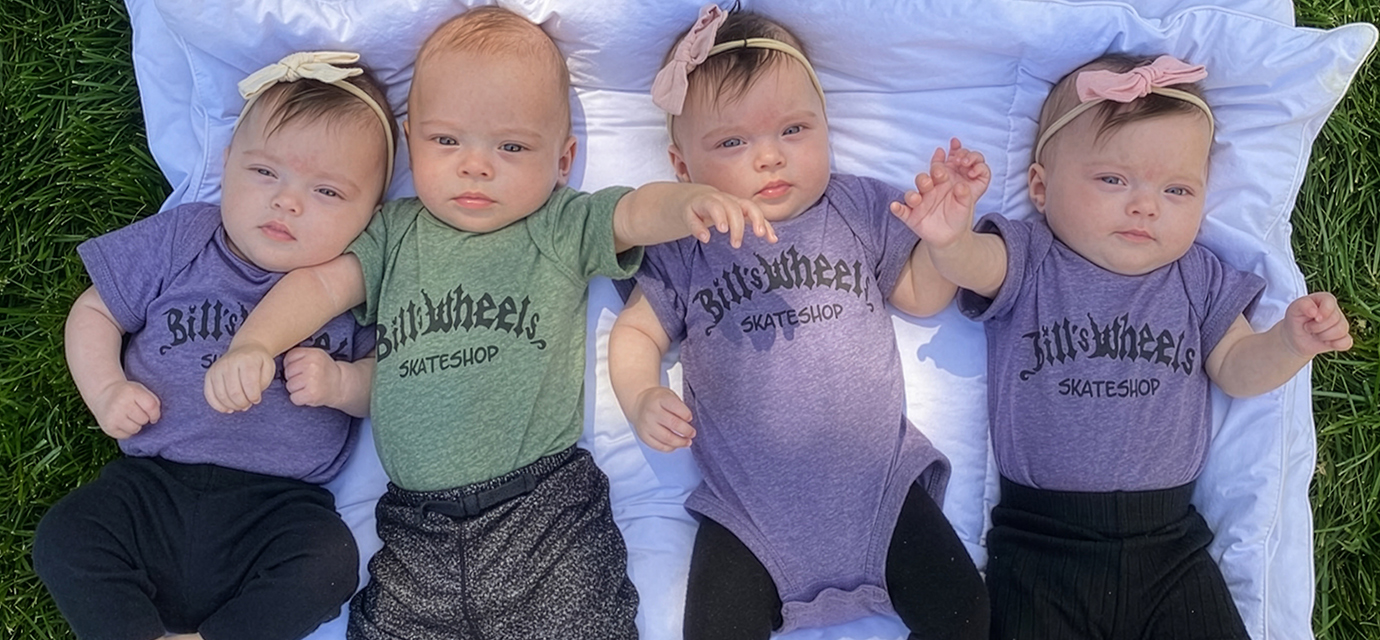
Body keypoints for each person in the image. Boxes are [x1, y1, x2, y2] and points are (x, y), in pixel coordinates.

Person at [201, 7, 774, 640]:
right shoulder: (393, 234)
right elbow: (317, 285)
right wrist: (256, 342)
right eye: (447, 141)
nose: (476, 166)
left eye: (511, 147)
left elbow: (635, 212)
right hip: (415, 529)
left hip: (545, 516)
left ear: (563, 160)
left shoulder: (557, 224)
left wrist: (689, 202)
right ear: (410, 139)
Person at [892, 53, 1353, 638]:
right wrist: (950, 235)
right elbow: (972, 265)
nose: (1146, 204)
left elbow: (1237, 368)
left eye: (1178, 189)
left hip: (1171, 550)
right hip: (1039, 548)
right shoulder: (1029, 257)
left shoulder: (1199, 277)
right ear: (1040, 186)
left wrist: (1289, 341)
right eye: (1113, 179)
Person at [608, 6, 989, 639]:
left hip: (879, 496)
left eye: (793, 130)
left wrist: (946, 241)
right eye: (732, 142)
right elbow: (636, 333)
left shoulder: (857, 206)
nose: (769, 158)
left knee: (966, 614)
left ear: (826, 128)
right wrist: (642, 394)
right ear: (682, 167)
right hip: (750, 515)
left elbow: (920, 295)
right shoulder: (688, 239)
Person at [33, 51, 396, 640]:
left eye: (327, 191)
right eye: (264, 172)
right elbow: (95, 310)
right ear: (227, 164)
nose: (287, 201)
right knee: (66, 537)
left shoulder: (355, 281)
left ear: (370, 214)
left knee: (332, 564)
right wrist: (106, 389)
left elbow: (394, 382)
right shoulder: (186, 238)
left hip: (279, 508)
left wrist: (344, 383)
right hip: (152, 487)